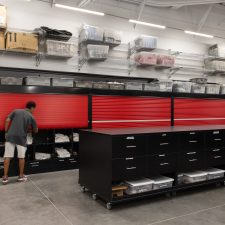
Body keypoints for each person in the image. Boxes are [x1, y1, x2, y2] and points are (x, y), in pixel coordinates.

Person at [2, 101, 38, 185]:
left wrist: (6, 132)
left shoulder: (16, 111)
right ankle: (21, 176)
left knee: (7, 156)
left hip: (10, 136)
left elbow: (7, 120)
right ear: (32, 108)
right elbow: (36, 130)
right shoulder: (31, 116)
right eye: (34, 109)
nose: (34, 111)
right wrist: (30, 129)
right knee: (21, 157)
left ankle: (5, 177)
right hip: (21, 138)